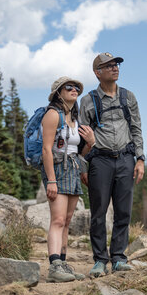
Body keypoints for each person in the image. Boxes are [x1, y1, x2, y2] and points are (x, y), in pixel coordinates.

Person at [78, 52, 145, 278]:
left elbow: (136, 128)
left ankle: (118, 258)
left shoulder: (128, 97)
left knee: (123, 211)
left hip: (126, 159)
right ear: (98, 73)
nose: (115, 68)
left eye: (116, 64)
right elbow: (82, 138)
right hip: (99, 161)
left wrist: (140, 159)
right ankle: (99, 261)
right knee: (98, 213)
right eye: (108, 66)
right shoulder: (87, 101)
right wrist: (83, 168)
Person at [41, 76, 92, 283]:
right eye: (68, 87)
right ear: (58, 93)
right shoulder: (53, 115)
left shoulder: (75, 119)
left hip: (73, 168)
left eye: (77, 88)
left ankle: (63, 265)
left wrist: (90, 142)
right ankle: (54, 266)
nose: (74, 90)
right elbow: (46, 149)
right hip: (57, 169)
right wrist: (51, 180)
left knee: (67, 221)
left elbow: (80, 153)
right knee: (58, 219)